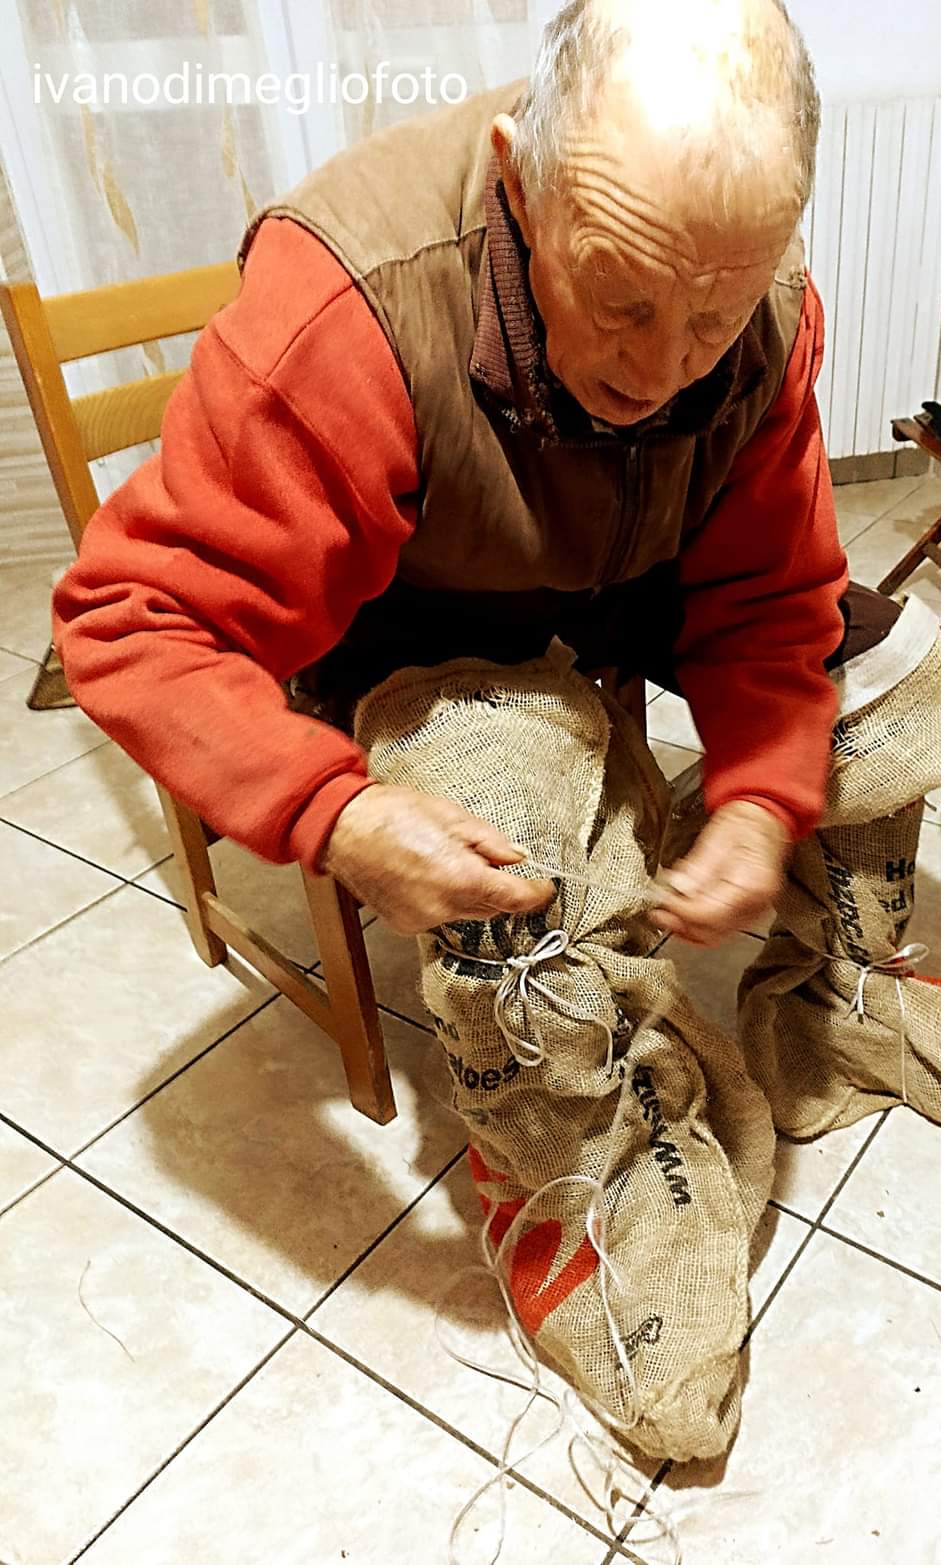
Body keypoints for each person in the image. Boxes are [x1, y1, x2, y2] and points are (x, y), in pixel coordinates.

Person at [53, 0, 859, 948]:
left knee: (896, 701)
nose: (657, 373)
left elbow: (771, 588)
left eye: (710, 321)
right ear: (518, 187)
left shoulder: (766, 300)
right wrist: (335, 814)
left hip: (634, 567)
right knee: (515, 894)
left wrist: (764, 797)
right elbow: (131, 622)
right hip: (415, 609)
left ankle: (830, 1001)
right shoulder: (344, 311)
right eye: (618, 302)